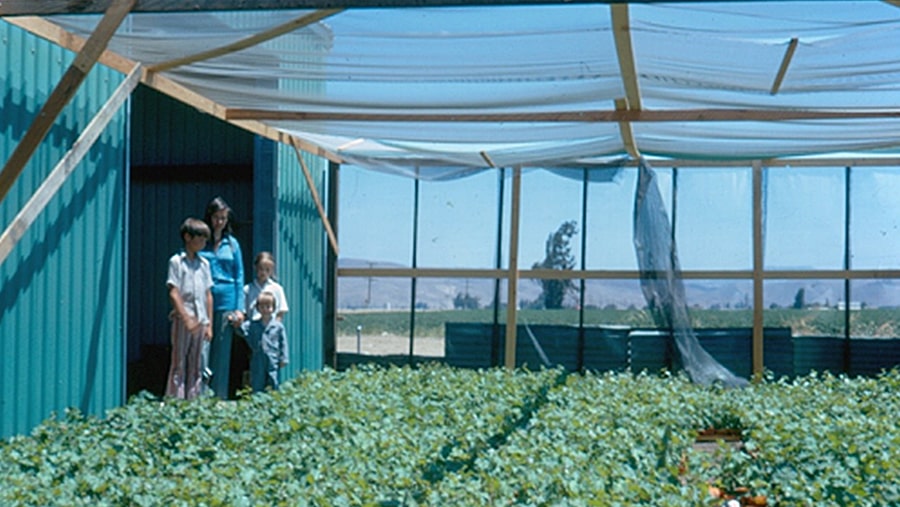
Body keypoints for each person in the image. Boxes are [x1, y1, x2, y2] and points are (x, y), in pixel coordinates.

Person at [198, 196, 245, 399]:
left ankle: (219, 396)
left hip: (226, 301)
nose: (219, 222)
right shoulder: (202, 242)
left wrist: (239, 308)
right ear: (209, 217)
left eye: (223, 218)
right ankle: (199, 395)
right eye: (216, 217)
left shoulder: (232, 245)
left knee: (222, 353)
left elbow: (239, 276)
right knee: (202, 350)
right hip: (203, 300)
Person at [165, 218, 213, 400]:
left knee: (196, 363)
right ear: (187, 237)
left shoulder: (205, 264)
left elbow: (208, 295)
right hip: (183, 319)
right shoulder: (177, 262)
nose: (203, 243)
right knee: (179, 362)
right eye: (200, 239)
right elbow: (174, 292)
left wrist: (209, 325)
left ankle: (194, 400)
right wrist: (185, 317)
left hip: (201, 320)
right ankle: (176, 401)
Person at [234, 291, 288, 392]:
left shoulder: (278, 326)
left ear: (273, 308)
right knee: (257, 379)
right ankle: (258, 400)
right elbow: (241, 330)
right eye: (262, 307)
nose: (265, 310)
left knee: (273, 379)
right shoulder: (252, 325)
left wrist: (284, 358)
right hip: (257, 356)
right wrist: (236, 321)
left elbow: (283, 343)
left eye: (268, 307)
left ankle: (273, 399)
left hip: (273, 358)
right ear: (258, 308)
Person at [242, 251, 289, 322]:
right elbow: (244, 312)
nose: (263, 272)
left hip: (271, 327)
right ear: (255, 267)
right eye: (261, 269)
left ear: (272, 270)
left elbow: (281, 311)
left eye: (267, 270)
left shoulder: (277, 289)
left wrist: (274, 326)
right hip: (253, 327)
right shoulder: (247, 289)